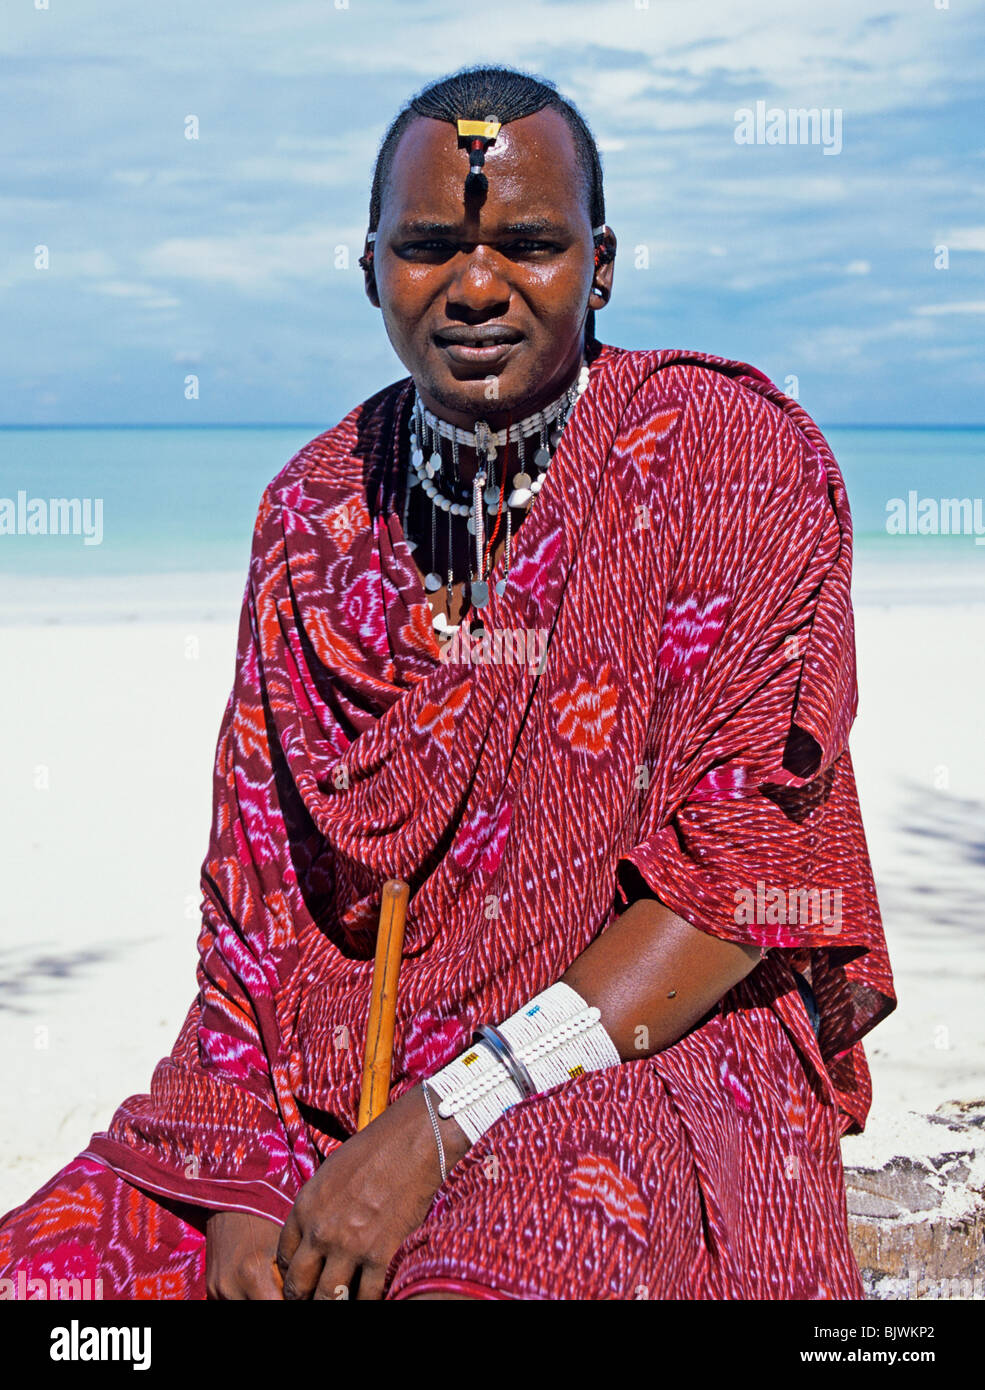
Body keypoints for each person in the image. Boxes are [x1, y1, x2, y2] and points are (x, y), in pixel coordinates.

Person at [0, 65, 895, 1302]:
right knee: (52, 1281)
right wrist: (244, 1186)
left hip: (640, 1058)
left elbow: (745, 881)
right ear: (369, 268)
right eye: (429, 246)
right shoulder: (314, 513)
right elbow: (255, 914)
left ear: (605, 262)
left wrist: (443, 1120)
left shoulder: (728, 466)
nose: (477, 286)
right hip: (328, 1089)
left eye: (528, 243)